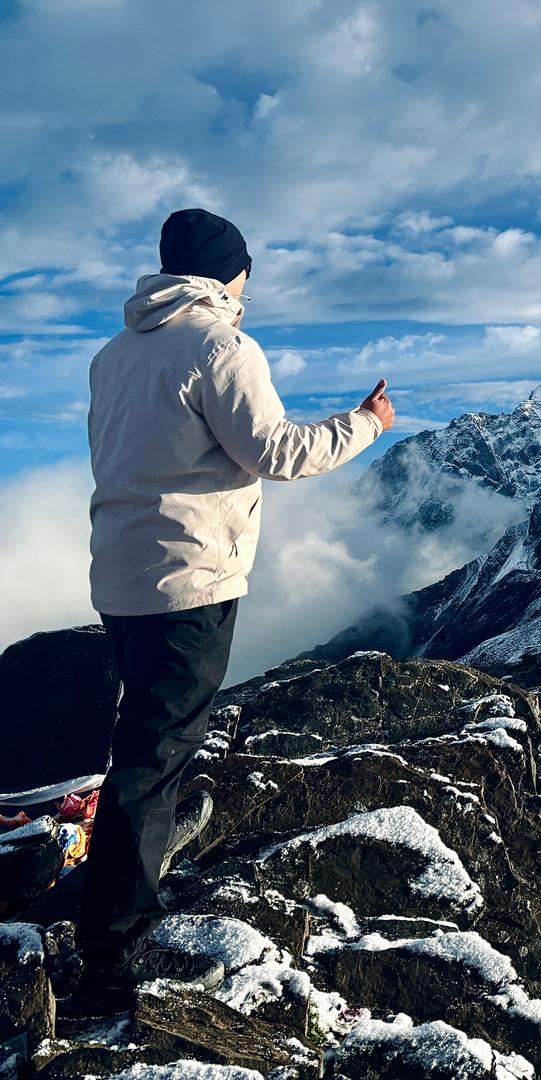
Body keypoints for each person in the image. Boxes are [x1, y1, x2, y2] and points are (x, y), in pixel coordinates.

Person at [73, 208, 394, 1010]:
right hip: (190, 580)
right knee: (155, 755)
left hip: (120, 575)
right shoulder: (222, 346)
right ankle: (112, 955)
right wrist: (367, 424)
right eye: (247, 269)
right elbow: (275, 452)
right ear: (225, 272)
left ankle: (122, 879)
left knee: (144, 740)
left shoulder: (114, 356)